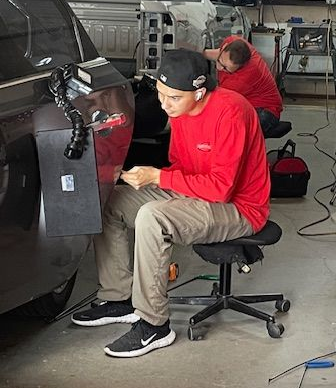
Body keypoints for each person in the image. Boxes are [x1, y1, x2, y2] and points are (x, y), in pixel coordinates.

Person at [71, 49, 271, 358]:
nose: (164, 104)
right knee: (112, 200)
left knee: (153, 216)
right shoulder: (179, 111)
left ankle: (154, 326)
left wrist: (158, 178)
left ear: (201, 92)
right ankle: (119, 298)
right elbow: (181, 167)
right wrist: (147, 177)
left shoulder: (231, 112)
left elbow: (220, 189)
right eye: (161, 94)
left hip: (239, 207)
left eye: (173, 97)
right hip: (197, 193)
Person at [203, 36, 283, 137]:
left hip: (266, 113)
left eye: (226, 68)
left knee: (224, 131)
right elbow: (217, 53)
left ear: (240, 67)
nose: (219, 67)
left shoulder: (242, 80)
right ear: (225, 47)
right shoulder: (234, 42)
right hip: (250, 105)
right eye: (220, 60)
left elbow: (219, 102)